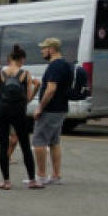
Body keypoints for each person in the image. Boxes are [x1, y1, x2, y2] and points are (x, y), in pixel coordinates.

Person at [0, 45, 40, 190]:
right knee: (25, 146)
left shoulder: (0, 73)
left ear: (11, 59)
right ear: (21, 59)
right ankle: (32, 180)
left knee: (3, 147)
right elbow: (28, 98)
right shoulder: (26, 74)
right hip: (19, 112)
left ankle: (6, 181)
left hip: (2, 112)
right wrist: (37, 88)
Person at [32, 37, 73, 186]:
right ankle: (56, 176)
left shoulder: (55, 66)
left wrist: (40, 107)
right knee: (54, 142)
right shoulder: (66, 65)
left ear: (51, 49)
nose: (42, 51)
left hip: (50, 109)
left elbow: (51, 89)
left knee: (39, 141)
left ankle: (41, 176)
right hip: (61, 108)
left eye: (43, 48)